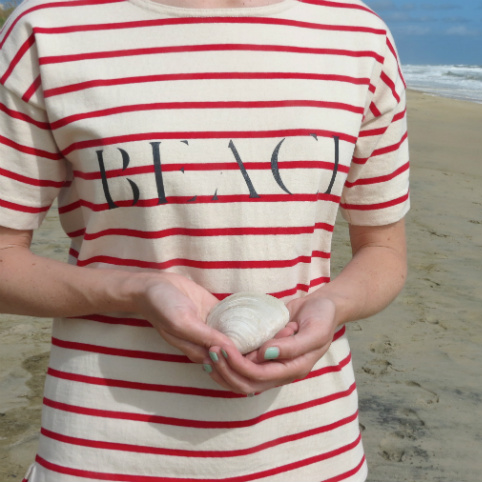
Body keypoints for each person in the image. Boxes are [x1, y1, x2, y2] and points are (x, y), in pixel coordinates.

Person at [0, 0, 409, 480]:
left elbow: (383, 251)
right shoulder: (48, 28)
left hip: (310, 454)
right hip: (102, 452)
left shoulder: (358, 35)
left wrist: (333, 306)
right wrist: (133, 291)